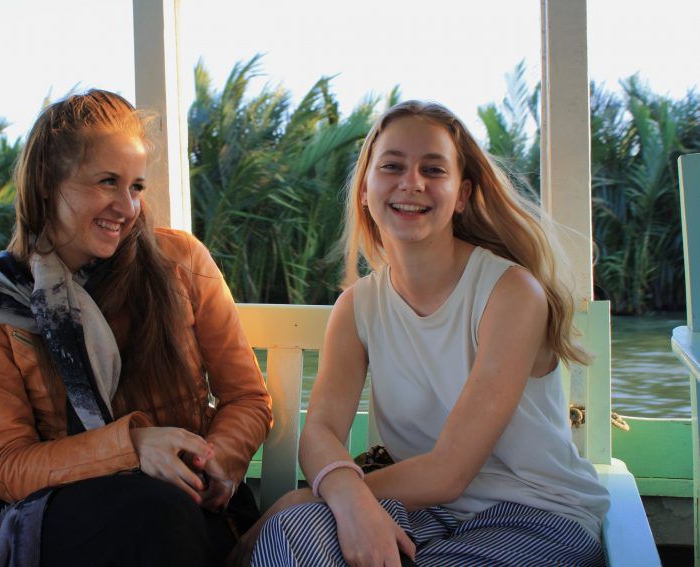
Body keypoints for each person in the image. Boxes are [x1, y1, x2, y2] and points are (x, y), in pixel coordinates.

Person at [236, 100, 609, 566]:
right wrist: (344, 499)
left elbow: (449, 470)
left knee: (299, 513)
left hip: (535, 517)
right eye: (392, 166)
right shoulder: (358, 306)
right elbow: (322, 430)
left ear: (463, 194)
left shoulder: (510, 293)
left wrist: (323, 496)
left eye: (433, 169)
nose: (412, 183)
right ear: (365, 191)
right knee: (290, 534)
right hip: (421, 513)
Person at [0, 89, 272, 567]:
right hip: (68, 515)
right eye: (107, 182)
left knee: (165, 512)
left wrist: (218, 462)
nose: (127, 207)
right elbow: (5, 464)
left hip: (189, 507)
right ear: (48, 182)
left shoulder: (181, 262)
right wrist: (131, 447)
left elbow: (247, 397)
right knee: (153, 513)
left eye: (136, 187)